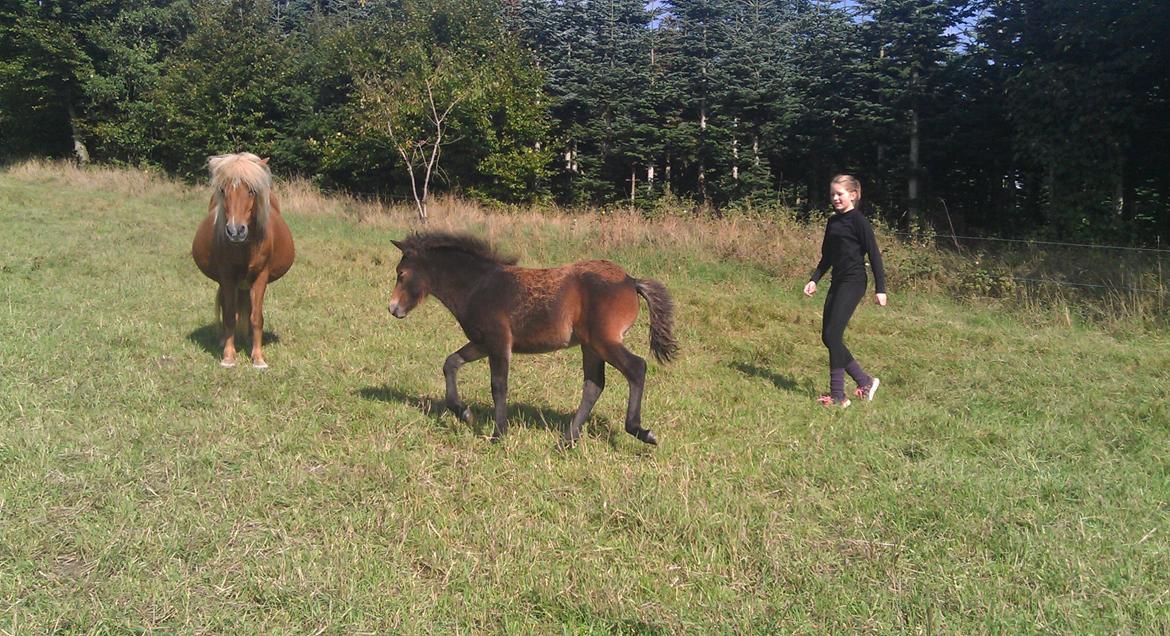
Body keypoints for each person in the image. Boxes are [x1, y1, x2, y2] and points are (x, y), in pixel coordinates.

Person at [803, 174, 887, 407]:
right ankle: (865, 381)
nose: (835, 198)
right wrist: (815, 279)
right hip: (837, 281)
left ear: (853, 195)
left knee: (832, 335)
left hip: (854, 282)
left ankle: (838, 395)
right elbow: (828, 256)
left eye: (839, 194)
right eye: (832, 194)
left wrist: (881, 289)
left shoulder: (859, 221)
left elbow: (874, 254)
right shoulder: (833, 222)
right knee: (828, 336)